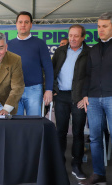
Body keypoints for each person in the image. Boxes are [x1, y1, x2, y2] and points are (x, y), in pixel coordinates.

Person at [52, 24, 90, 180]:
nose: (72, 38)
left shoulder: (89, 53)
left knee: (78, 132)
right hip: (61, 96)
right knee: (60, 131)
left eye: (76, 36)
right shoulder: (60, 51)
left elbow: (91, 76)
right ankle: (59, 163)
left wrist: (86, 95)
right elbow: (51, 71)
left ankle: (77, 164)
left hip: (79, 98)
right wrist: (52, 88)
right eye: (70, 35)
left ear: (83, 37)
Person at [80, 12, 112, 185]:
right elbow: (87, 74)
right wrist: (85, 94)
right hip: (92, 99)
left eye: (105, 26)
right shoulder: (93, 49)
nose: (100, 30)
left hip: (111, 97)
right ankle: (99, 174)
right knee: (95, 138)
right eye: (99, 26)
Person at [7, 11, 53, 116]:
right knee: (15, 124)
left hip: (34, 90)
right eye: (20, 22)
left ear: (31, 25)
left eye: (26, 22)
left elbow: (48, 68)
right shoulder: (8, 45)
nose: (23, 25)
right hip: (14, 90)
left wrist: (49, 89)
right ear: (16, 24)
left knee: (34, 123)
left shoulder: (40, 43)